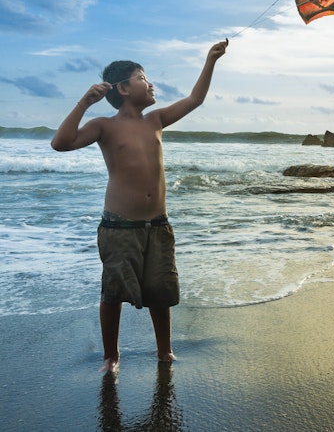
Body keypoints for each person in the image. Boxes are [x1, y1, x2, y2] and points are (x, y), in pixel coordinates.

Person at [51, 39, 228, 372]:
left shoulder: (155, 120)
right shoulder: (104, 125)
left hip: (157, 225)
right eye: (142, 78)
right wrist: (85, 103)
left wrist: (210, 60)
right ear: (124, 88)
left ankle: (164, 351)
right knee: (114, 292)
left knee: (160, 292)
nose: (150, 84)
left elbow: (195, 99)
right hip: (119, 226)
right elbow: (60, 143)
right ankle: (111, 355)